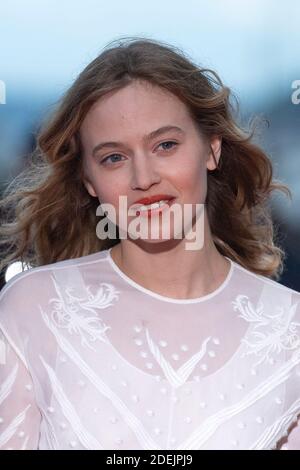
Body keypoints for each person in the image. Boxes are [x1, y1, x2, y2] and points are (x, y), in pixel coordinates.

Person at [0, 36, 299, 450]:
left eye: (165, 145)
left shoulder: (290, 332)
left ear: (211, 149)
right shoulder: (31, 310)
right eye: (114, 157)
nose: (144, 178)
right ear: (89, 180)